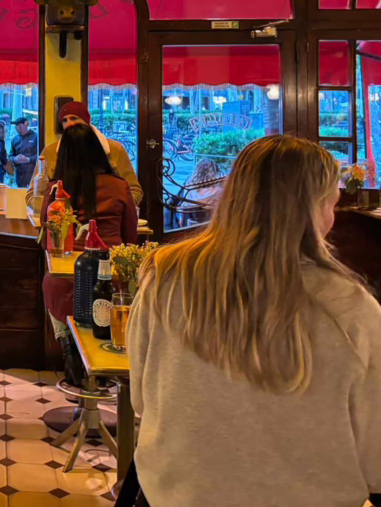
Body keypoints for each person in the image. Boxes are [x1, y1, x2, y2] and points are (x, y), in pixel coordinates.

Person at [129, 136, 381, 507]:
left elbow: (141, 398)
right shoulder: (351, 308)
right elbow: (374, 459)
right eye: (332, 203)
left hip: (172, 493)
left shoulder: (165, 276)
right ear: (317, 208)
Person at [39, 125, 137, 371]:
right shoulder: (118, 186)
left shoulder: (57, 190)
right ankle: (102, 368)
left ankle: (68, 347)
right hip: (109, 278)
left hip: (67, 279)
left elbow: (45, 237)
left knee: (51, 282)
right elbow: (130, 236)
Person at [26, 101, 141, 210]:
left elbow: (134, 191)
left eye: (74, 118)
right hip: (61, 223)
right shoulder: (50, 152)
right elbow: (32, 196)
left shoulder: (114, 149)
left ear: (87, 122)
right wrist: (57, 211)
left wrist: (114, 211)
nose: (69, 124)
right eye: (64, 120)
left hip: (104, 222)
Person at [9, 116, 39, 188]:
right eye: (16, 126)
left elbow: (40, 155)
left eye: (19, 125)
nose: (17, 128)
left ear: (26, 124)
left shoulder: (36, 137)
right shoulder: (14, 140)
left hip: (33, 173)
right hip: (20, 175)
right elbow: (10, 155)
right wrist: (15, 159)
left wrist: (28, 159)